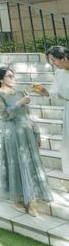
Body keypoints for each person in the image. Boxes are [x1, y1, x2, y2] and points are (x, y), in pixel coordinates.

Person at [0, 67, 52, 216]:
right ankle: (18, 199)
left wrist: (37, 132)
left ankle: (32, 199)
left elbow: (29, 114)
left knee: (30, 163)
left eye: (13, 76)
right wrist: (19, 103)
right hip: (12, 133)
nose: (13, 78)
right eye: (9, 76)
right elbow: (5, 115)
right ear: (0, 79)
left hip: (27, 131)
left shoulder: (20, 92)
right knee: (16, 164)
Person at [45, 45, 69, 176]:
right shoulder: (58, 73)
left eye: (54, 60)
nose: (52, 63)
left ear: (64, 58)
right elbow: (59, 94)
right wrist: (47, 93)